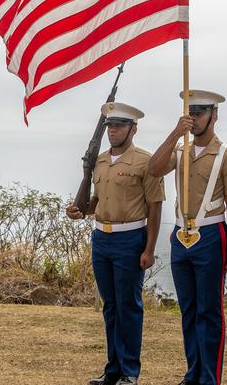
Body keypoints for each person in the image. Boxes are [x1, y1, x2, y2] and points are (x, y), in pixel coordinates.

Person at [148, 90, 227, 385]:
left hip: (212, 233)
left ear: (214, 116)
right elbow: (153, 169)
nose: (195, 118)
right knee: (188, 308)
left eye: (200, 113)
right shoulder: (180, 151)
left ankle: (210, 377)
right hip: (180, 234)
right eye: (191, 113)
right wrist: (176, 132)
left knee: (210, 310)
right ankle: (193, 373)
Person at [66, 102, 165, 385]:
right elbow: (97, 200)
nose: (113, 131)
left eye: (119, 126)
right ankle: (113, 369)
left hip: (130, 237)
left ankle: (129, 371)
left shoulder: (146, 161)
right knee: (110, 306)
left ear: (133, 129)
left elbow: (155, 206)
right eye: (110, 126)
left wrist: (149, 249)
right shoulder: (99, 161)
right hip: (102, 238)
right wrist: (79, 209)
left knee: (128, 305)